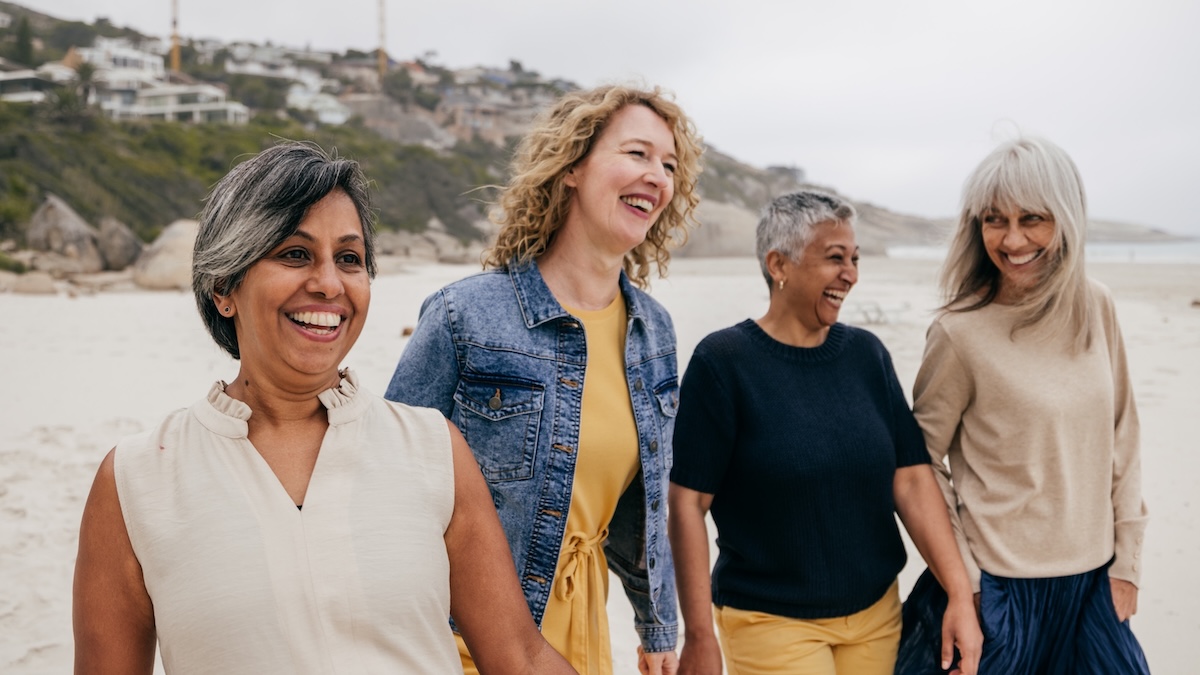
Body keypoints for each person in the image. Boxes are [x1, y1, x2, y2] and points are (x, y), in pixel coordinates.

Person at [72, 143, 576, 675]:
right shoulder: (136, 479)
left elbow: (519, 656)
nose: (330, 284)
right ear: (224, 286)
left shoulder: (432, 449)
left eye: (350, 259)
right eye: (295, 254)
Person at [384, 84, 703, 675]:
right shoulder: (466, 316)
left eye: (669, 165)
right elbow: (385, 482)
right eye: (636, 154)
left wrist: (657, 627)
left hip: (581, 638)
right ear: (573, 168)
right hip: (463, 641)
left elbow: (646, 502)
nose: (657, 176)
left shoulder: (652, 332)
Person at [668, 191, 982, 675]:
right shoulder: (723, 363)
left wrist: (960, 593)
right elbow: (688, 503)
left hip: (877, 616)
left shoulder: (866, 355)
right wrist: (698, 635)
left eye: (854, 259)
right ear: (780, 264)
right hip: (771, 621)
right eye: (835, 258)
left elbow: (913, 478)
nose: (851, 274)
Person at [894, 137, 1150, 673]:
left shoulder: (1096, 305)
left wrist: (1126, 565)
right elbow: (918, 465)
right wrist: (966, 581)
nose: (1011, 240)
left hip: (1093, 591)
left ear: (1067, 219)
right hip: (999, 596)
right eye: (994, 220)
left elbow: (1123, 431)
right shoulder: (959, 332)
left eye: (1032, 218)